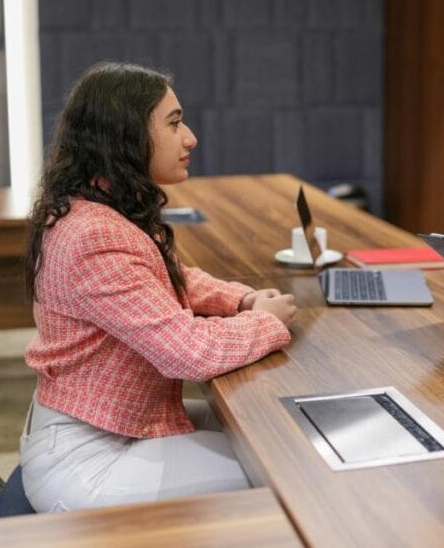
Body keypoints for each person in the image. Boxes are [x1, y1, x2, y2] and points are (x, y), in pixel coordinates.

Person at [19, 61, 297, 512]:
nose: (190, 137)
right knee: (290, 466)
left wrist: (241, 299)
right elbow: (187, 353)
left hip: (120, 424)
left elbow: (170, 276)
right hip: (88, 463)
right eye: (173, 124)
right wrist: (264, 323)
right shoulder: (95, 236)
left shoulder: (100, 202)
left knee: (281, 428)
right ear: (125, 136)